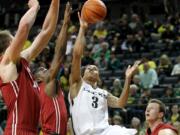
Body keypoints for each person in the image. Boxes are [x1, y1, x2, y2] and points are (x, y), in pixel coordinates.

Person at [68, 13, 140, 135]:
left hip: (105, 132)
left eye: (95, 68)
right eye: (88, 68)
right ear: (82, 74)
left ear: (99, 76)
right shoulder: (77, 84)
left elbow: (121, 103)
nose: (91, 69)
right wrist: (82, 29)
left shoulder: (103, 93)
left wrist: (128, 79)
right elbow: (76, 55)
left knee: (131, 132)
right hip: (85, 133)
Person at [0, 0, 59, 134]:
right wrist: (35, 6)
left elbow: (46, 31)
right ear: (10, 43)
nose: (17, 40)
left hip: (31, 130)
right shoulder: (6, 63)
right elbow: (25, 26)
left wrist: (55, 3)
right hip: (17, 130)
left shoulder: (20, 61)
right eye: (14, 38)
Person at [35, 3, 71, 135]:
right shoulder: (47, 84)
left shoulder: (37, 92)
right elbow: (59, 54)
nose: (47, 70)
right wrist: (66, 24)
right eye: (43, 70)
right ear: (38, 78)